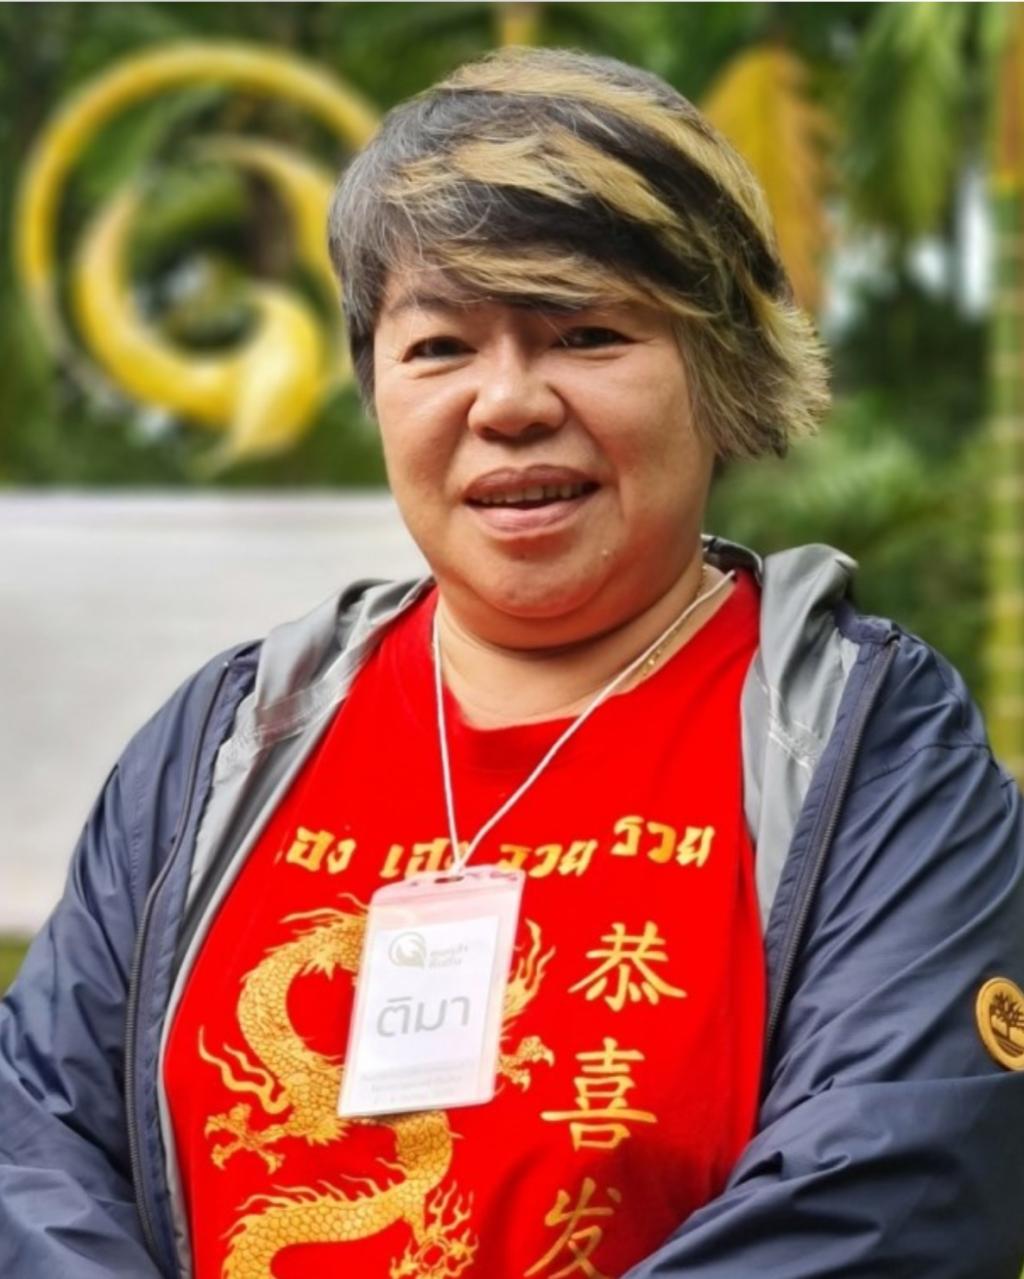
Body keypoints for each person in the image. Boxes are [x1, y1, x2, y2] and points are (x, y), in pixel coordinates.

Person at [2, 44, 1024, 1279]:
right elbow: (35, 1137)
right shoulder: (230, 736)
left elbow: (891, 1193)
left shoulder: (870, 749)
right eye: (439, 347)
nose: (507, 403)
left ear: (718, 369)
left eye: (586, 333)